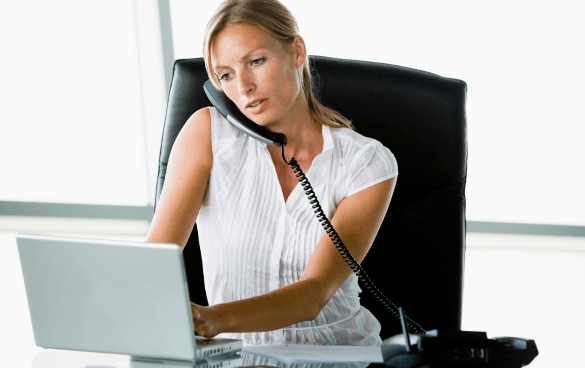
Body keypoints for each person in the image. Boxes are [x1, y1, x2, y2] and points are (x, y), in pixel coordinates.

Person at [146, 0, 397, 346]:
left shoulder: (366, 162)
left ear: (297, 52)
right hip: (235, 356)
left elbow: (314, 294)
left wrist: (211, 318)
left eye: (256, 61)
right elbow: (153, 265)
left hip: (334, 355)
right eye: (226, 75)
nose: (244, 87)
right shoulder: (206, 134)